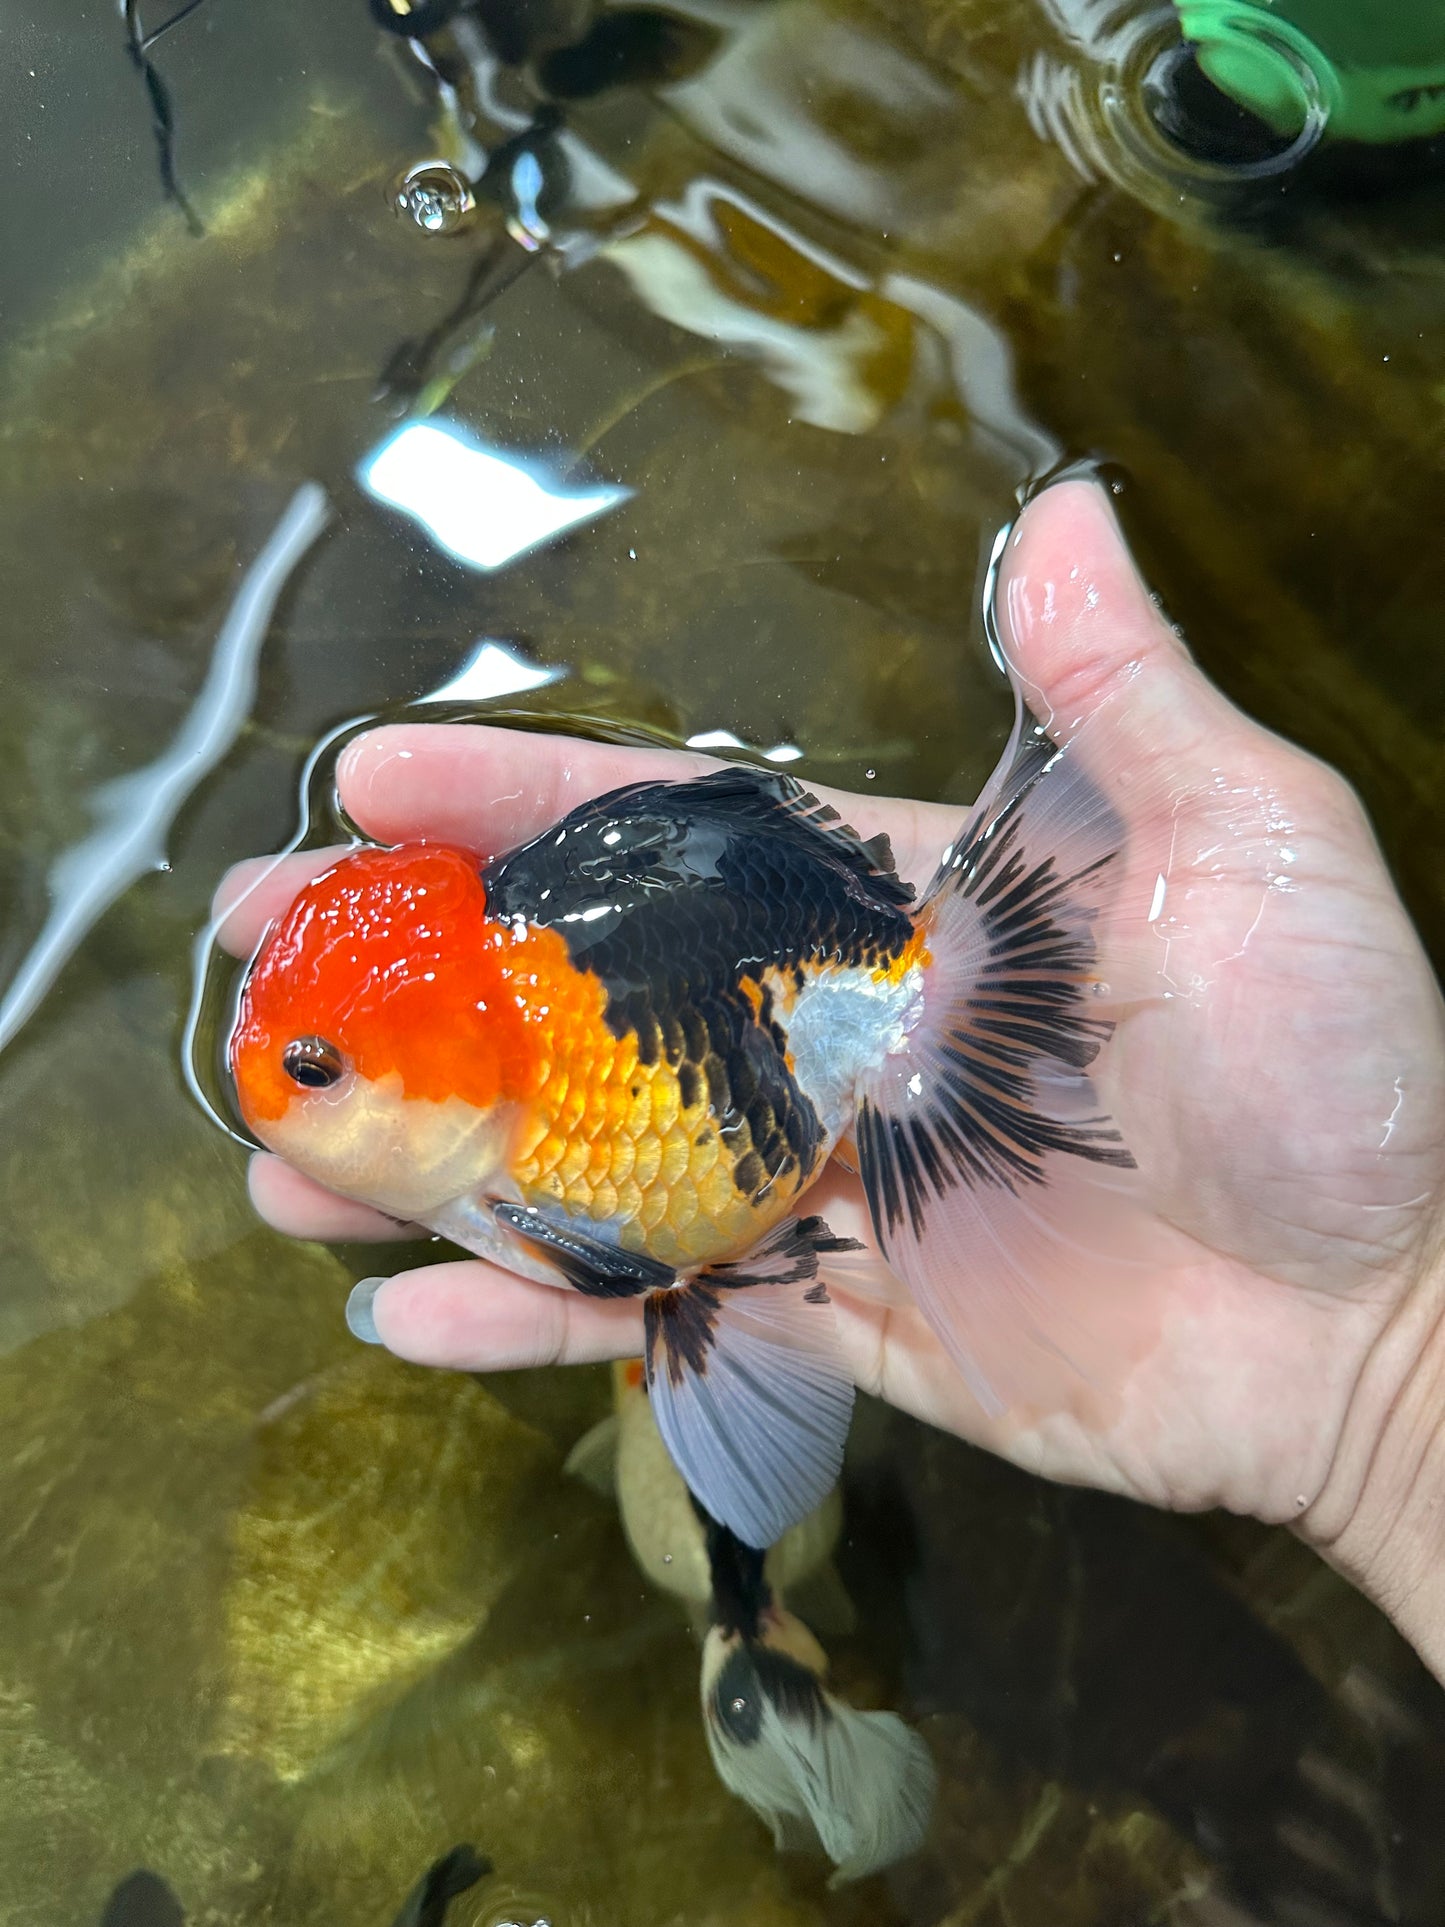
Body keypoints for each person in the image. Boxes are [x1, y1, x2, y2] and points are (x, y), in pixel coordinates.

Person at [214, 479, 1445, 1679]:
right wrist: (1385, 1386)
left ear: (461, 1076)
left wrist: (1396, 1352)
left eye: (315, 1070)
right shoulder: (499, 1098)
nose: (273, 1091)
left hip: (814, 1008)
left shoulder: (527, 1147)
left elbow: (652, 1262)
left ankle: (969, 974)